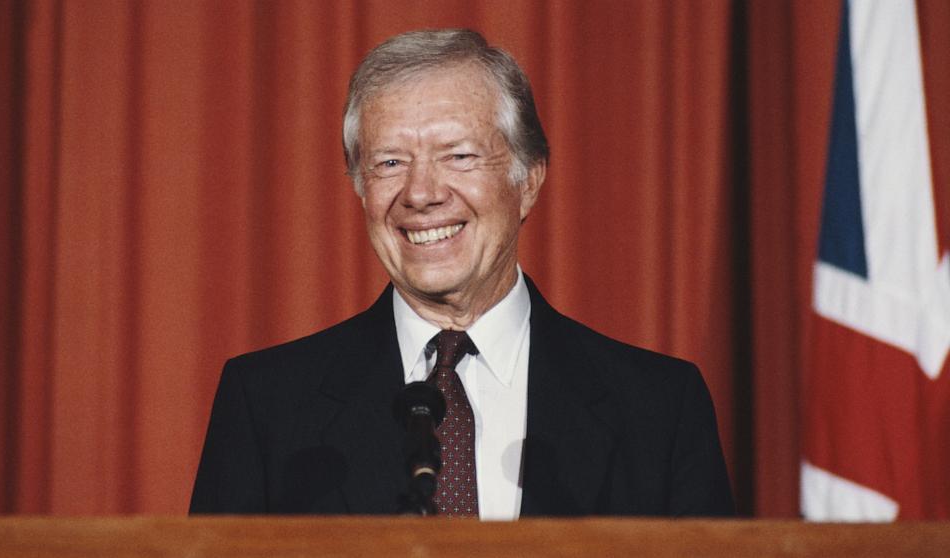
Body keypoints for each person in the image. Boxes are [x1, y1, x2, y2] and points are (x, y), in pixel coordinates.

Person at [190, 29, 734, 519]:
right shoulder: (266, 405)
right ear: (359, 186)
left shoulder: (660, 409)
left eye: (459, 156)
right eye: (389, 163)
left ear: (528, 182)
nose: (422, 194)